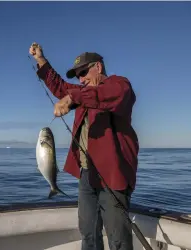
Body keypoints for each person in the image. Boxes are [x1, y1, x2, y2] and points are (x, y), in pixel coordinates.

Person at [29, 42, 139, 250]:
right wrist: (40, 60)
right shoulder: (82, 94)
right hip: (87, 175)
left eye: (83, 72)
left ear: (98, 67)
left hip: (113, 176)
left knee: (118, 239)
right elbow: (60, 87)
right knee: (88, 233)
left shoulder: (119, 85)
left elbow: (109, 95)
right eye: (77, 76)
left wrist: (71, 97)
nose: (80, 79)